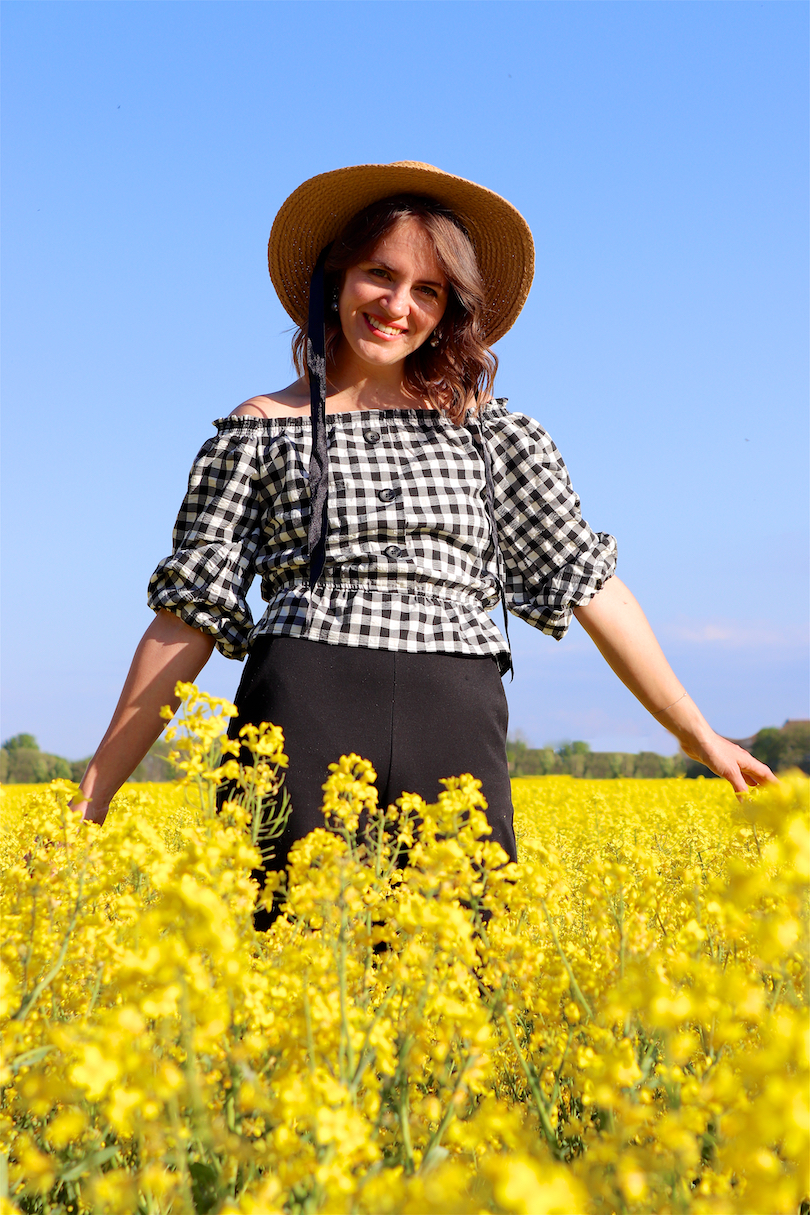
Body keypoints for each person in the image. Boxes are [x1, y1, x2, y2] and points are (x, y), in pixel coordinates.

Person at [74, 160, 775, 879]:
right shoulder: (259, 429)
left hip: (455, 721)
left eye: (427, 290)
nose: (397, 305)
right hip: (300, 715)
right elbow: (188, 617)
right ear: (337, 277)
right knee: (291, 954)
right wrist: (93, 795)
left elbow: (589, 584)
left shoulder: (497, 435)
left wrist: (697, 733)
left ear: (449, 311)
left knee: (459, 968)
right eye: (380, 274)